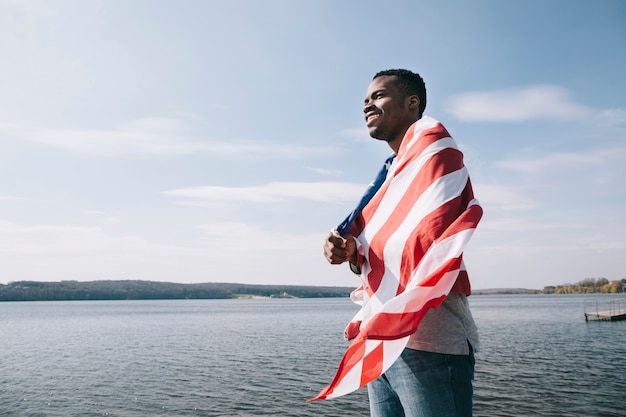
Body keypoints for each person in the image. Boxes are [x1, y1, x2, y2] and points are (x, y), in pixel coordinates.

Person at [323, 69, 480, 417]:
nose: (367, 105)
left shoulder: (435, 150)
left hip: (432, 344)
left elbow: (429, 233)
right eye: (364, 100)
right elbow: (380, 248)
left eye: (378, 96)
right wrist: (351, 251)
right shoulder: (388, 179)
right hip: (381, 340)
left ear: (412, 103)